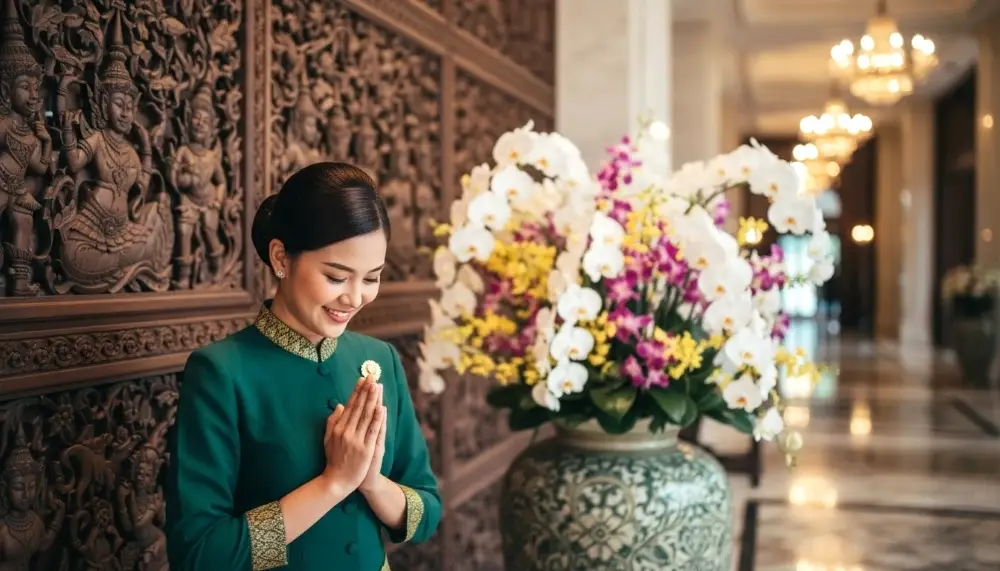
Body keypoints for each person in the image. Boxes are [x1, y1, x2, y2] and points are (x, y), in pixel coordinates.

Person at [165, 162, 441, 571]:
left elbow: (427, 513)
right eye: (336, 276)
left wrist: (370, 482)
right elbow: (200, 554)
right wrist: (334, 483)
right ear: (281, 257)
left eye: (371, 278)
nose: (355, 298)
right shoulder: (222, 373)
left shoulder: (381, 360)